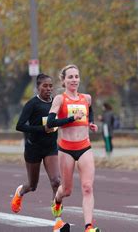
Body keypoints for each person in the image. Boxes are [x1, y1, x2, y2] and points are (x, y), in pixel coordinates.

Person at [10, 74, 69, 231]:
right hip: (33, 148)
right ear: (38, 87)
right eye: (45, 86)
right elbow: (20, 126)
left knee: (56, 181)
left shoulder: (57, 102)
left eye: (51, 86)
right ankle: (20, 191)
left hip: (50, 148)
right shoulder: (32, 104)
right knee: (32, 185)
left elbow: (63, 119)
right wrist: (41, 129)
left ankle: (58, 221)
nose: (48, 89)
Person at [47, 64, 100, 232]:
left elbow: (89, 110)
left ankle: (88, 227)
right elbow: (50, 123)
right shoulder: (60, 99)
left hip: (85, 146)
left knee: (87, 187)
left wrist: (90, 122)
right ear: (63, 80)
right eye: (70, 77)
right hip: (66, 149)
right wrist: (71, 118)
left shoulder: (87, 98)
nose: (74, 80)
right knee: (67, 190)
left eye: (76, 76)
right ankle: (57, 201)